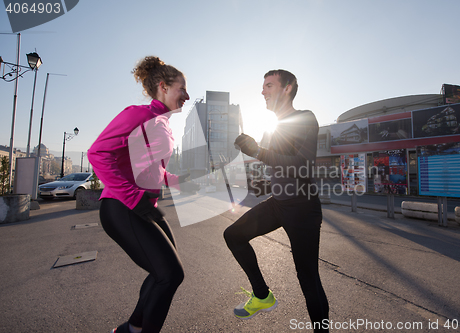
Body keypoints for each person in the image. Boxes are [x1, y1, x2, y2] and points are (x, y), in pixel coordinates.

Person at [87, 56, 198, 333]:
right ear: (163, 86)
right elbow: (97, 153)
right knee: (170, 275)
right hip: (122, 206)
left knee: (165, 274)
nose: (186, 95)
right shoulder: (138, 114)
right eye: (181, 89)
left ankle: (131, 329)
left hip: (144, 205)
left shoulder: (162, 124)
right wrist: (134, 198)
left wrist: (180, 181)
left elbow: (152, 171)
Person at [224, 69, 329, 332]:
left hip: (302, 207)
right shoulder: (271, 128)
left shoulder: (304, 118)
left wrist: (258, 150)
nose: (263, 91)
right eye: (263, 87)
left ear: (288, 88)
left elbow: (302, 164)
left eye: (269, 85)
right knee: (233, 235)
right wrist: (256, 157)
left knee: (308, 278)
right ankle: (261, 295)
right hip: (278, 203)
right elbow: (275, 164)